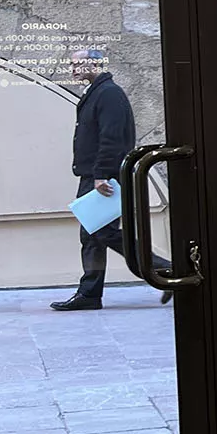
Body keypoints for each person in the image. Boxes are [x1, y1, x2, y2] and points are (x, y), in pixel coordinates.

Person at [51, 48, 167, 311]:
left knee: (101, 232)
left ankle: (164, 271)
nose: (72, 70)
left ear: (94, 63)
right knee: (93, 235)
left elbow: (112, 137)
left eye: (76, 65)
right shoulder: (97, 92)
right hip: (95, 175)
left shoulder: (108, 93)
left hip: (102, 178)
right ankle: (90, 293)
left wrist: (102, 174)